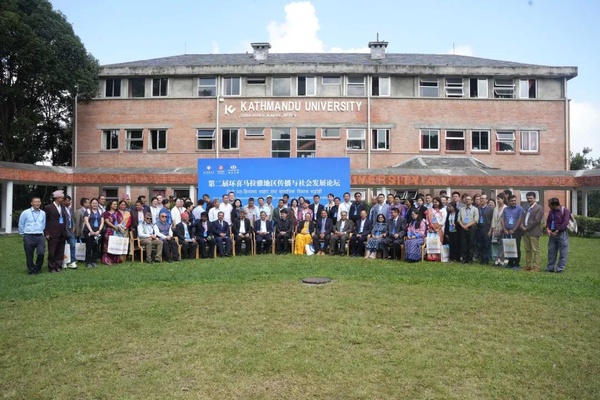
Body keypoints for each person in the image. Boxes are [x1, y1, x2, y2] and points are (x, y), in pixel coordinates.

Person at [18, 196, 46, 275]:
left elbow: (43, 223)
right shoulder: (25, 213)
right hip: (29, 236)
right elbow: (21, 224)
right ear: (31, 203)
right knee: (29, 254)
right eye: (35, 202)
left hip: (40, 236)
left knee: (41, 253)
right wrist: (23, 234)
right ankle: (31, 269)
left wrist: (41, 231)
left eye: (39, 202)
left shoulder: (43, 213)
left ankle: (38, 268)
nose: (37, 203)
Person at [43, 190, 69, 273]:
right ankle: (51, 266)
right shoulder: (48, 207)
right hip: (52, 233)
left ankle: (58, 265)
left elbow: (65, 220)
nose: (63, 199)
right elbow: (45, 221)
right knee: (52, 251)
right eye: (62, 198)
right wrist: (46, 232)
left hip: (62, 232)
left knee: (60, 251)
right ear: (57, 198)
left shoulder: (63, 207)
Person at [545, 198, 570, 273]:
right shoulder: (551, 211)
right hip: (552, 234)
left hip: (562, 234)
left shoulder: (565, 211)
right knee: (551, 252)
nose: (548, 206)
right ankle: (550, 268)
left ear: (554, 204)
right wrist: (548, 229)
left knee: (563, 252)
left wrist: (557, 230)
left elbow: (565, 222)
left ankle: (560, 268)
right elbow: (548, 221)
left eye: (550, 205)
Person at [521, 192, 544, 272]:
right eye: (527, 198)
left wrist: (527, 228)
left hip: (533, 232)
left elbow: (536, 220)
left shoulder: (539, 208)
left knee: (535, 250)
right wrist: (522, 226)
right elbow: (523, 218)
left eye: (530, 198)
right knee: (527, 249)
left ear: (535, 198)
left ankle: (536, 267)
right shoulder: (527, 208)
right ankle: (528, 265)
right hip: (526, 232)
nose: (529, 200)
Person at [501, 194, 524, 270]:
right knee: (508, 247)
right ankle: (510, 263)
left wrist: (514, 229)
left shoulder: (520, 209)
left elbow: (519, 220)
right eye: (511, 201)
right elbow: (502, 219)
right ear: (508, 201)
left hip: (516, 231)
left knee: (516, 247)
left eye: (515, 200)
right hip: (507, 231)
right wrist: (504, 229)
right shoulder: (505, 209)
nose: (513, 202)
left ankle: (516, 263)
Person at [101, 199, 124, 265]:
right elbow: (106, 221)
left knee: (116, 245)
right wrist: (114, 227)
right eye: (114, 204)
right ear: (110, 205)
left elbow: (122, 220)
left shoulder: (118, 213)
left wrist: (119, 226)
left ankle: (116, 260)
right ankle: (107, 260)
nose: (115, 205)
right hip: (109, 231)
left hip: (118, 231)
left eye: (116, 204)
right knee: (108, 245)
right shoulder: (106, 213)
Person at [458, 195, 479, 264]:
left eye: (469, 199)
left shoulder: (475, 209)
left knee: (471, 244)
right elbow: (458, 219)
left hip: (471, 228)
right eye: (466, 199)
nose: (467, 201)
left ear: (472, 201)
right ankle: (464, 258)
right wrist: (463, 226)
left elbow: (475, 220)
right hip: (463, 228)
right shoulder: (462, 209)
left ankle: (470, 259)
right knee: (464, 244)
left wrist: (467, 225)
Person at [83, 198, 104, 268]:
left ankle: (94, 261)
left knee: (96, 246)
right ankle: (88, 262)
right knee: (89, 247)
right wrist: (91, 230)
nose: (95, 204)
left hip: (98, 232)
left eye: (96, 203)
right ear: (91, 204)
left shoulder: (100, 211)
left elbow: (102, 222)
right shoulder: (88, 211)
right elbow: (86, 221)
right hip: (89, 232)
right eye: (93, 203)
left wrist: (99, 230)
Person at [426, 197, 446, 261]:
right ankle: (431, 257)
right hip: (431, 229)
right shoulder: (430, 210)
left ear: (439, 202)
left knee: (438, 242)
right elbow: (427, 219)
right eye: (434, 202)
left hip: (440, 229)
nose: (435, 203)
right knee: (431, 242)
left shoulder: (443, 210)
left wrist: (438, 228)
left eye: (436, 202)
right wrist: (429, 227)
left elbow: (443, 220)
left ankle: (439, 257)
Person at [489, 193, 507, 266]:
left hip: (502, 229)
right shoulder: (495, 208)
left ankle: (502, 260)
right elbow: (493, 219)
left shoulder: (506, 208)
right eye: (497, 199)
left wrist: (502, 229)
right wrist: (493, 229)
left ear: (503, 199)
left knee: (502, 245)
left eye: (499, 199)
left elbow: (505, 220)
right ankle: (496, 260)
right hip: (495, 229)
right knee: (495, 245)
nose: (498, 200)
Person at [477, 194, 494, 265]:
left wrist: (490, 230)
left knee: (486, 244)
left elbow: (492, 220)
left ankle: (486, 259)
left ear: (487, 200)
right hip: (479, 228)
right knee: (480, 244)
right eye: (481, 198)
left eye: (483, 198)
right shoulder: (478, 208)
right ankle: (481, 258)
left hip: (487, 228)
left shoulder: (490, 209)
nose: (481, 200)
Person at [63, 195, 78, 269]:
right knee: (63, 247)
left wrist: (74, 227)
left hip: (71, 230)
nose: (69, 202)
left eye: (70, 201)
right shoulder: (61, 209)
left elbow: (72, 219)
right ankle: (64, 261)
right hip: (63, 230)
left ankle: (73, 261)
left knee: (72, 246)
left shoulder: (70, 209)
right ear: (63, 201)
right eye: (68, 201)